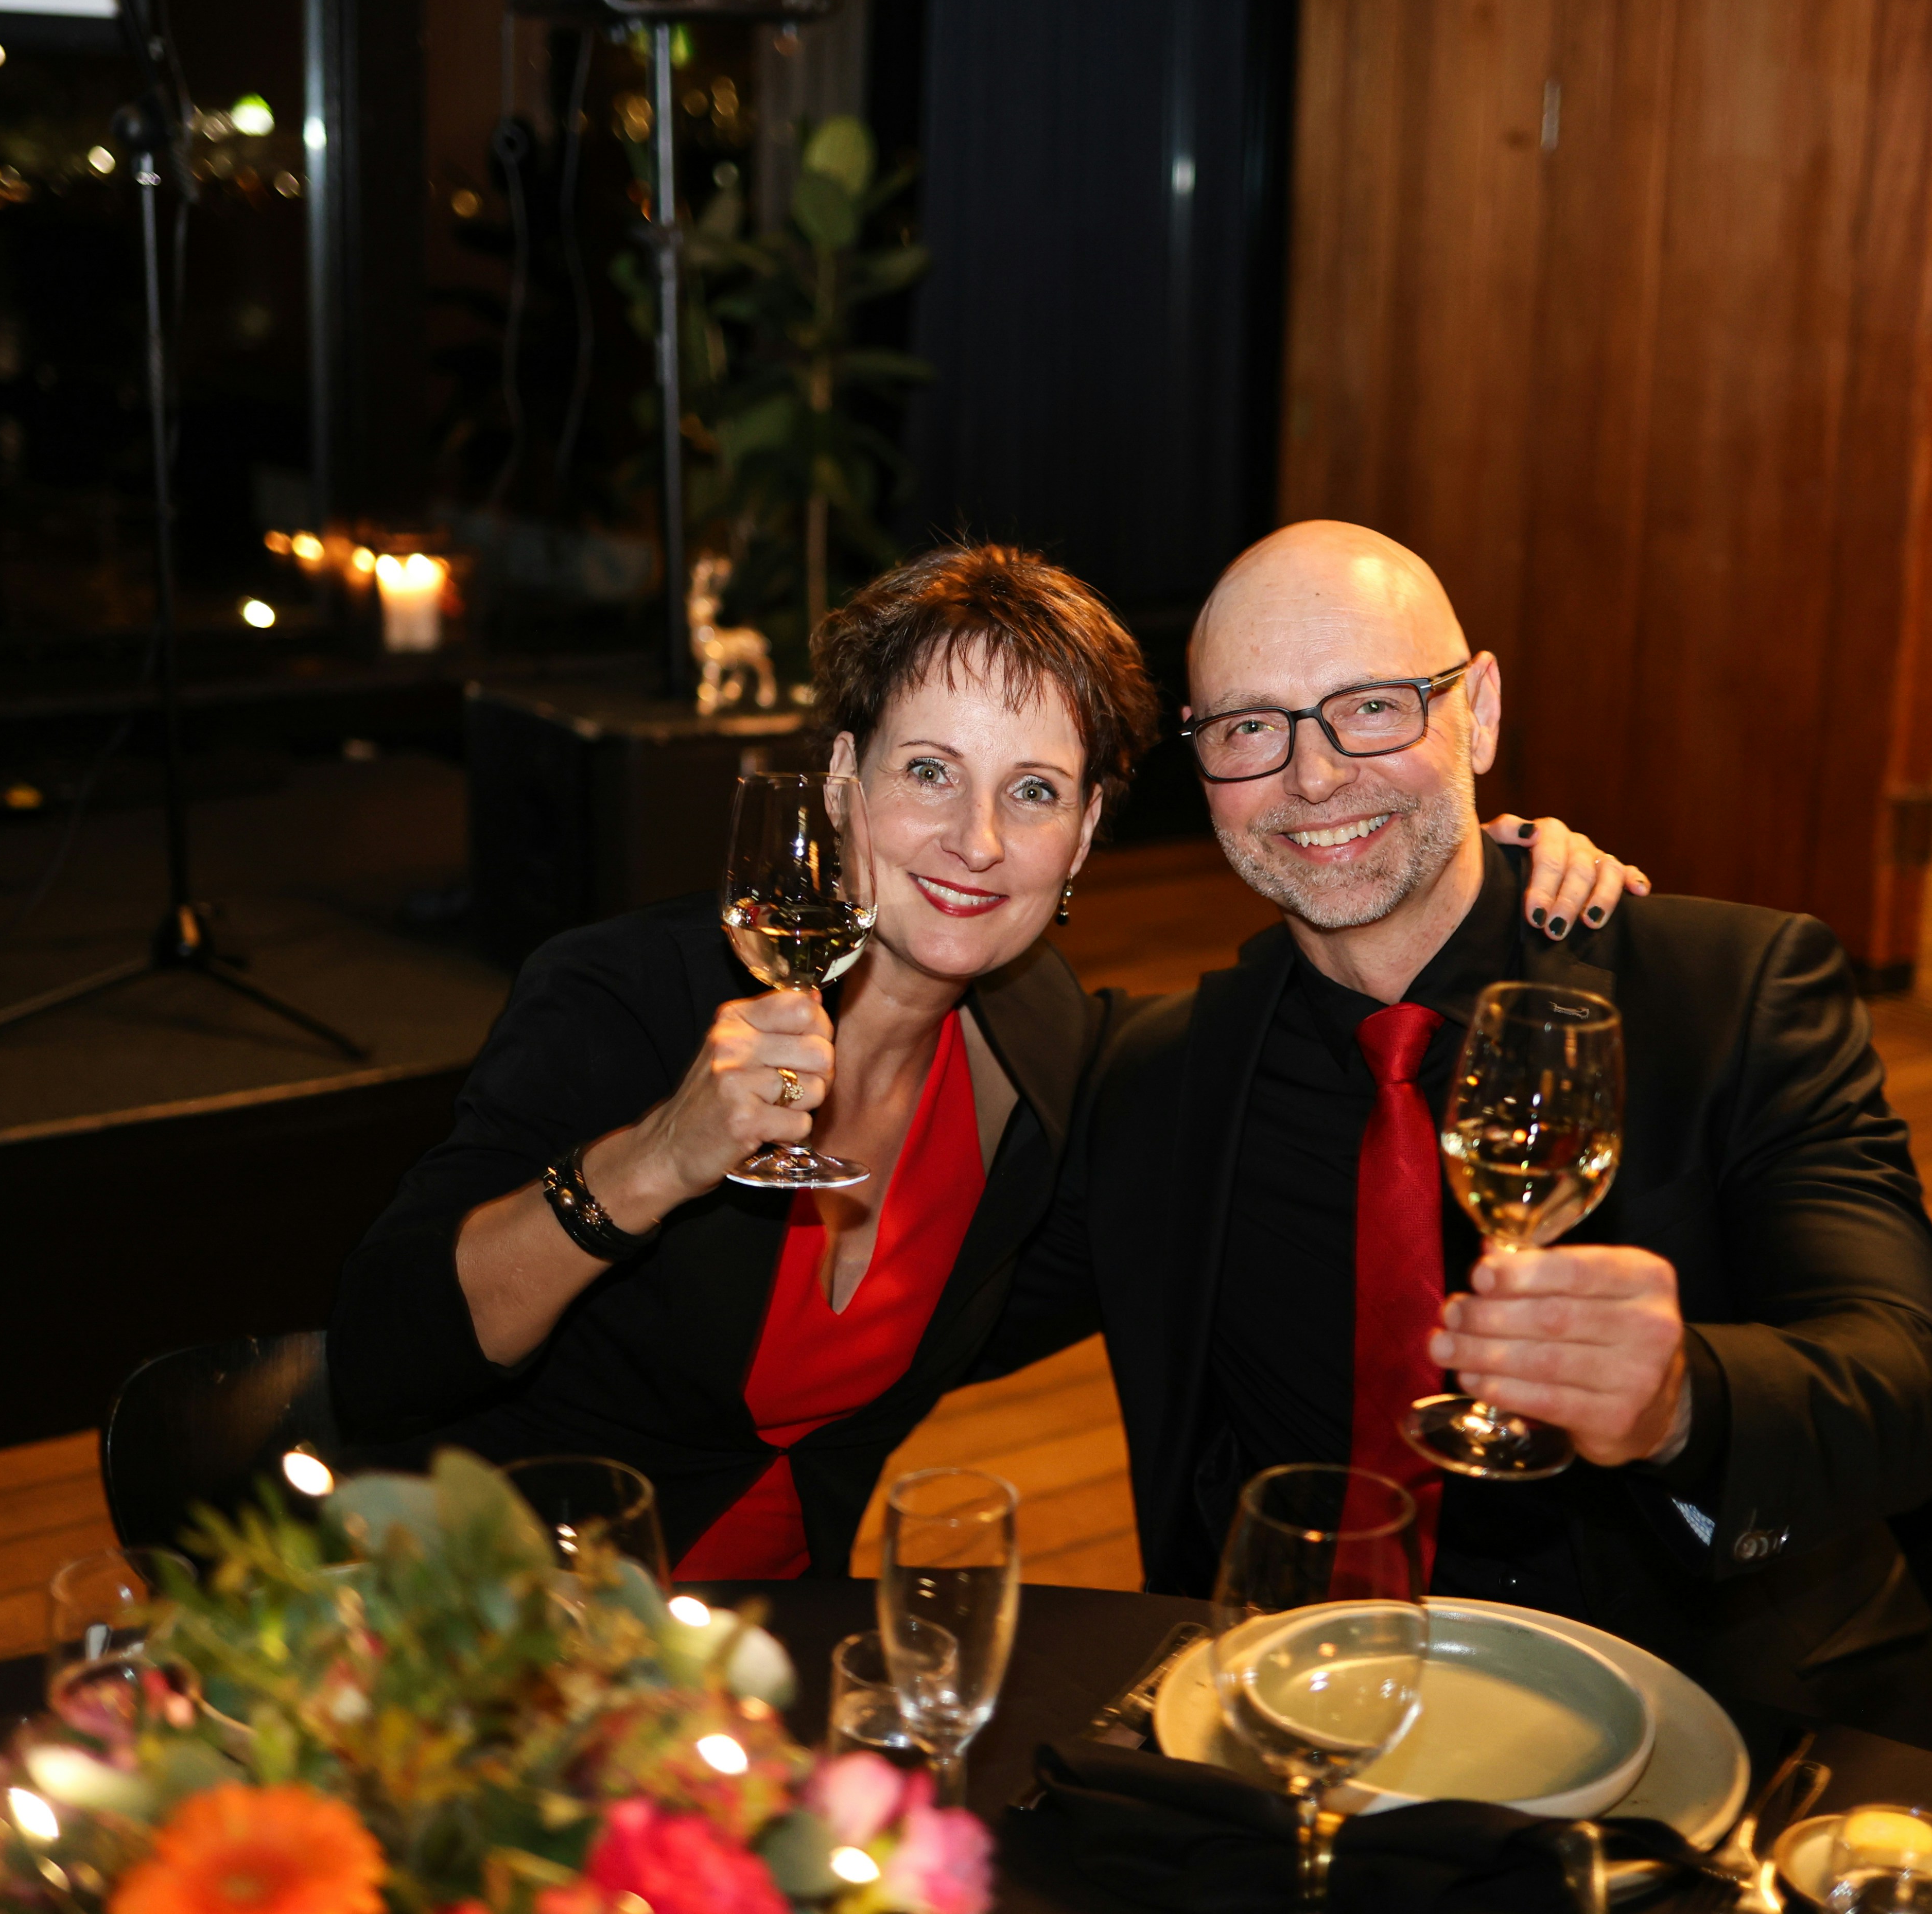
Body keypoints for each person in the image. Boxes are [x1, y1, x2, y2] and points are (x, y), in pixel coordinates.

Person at [327, 542, 1638, 1578]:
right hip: (484, 1609)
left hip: (778, 1641)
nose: (974, 840)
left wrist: (1492, 865)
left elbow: (1346, 1040)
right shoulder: (627, 993)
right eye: (927, 772)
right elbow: (386, 1356)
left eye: (1032, 792)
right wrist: (654, 1160)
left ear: (1079, 843)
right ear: (841, 780)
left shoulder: (1059, 1058)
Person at [987, 521, 1932, 1749]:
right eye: (1251, 727)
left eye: (1373, 708)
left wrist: (1678, 1401)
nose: (1314, 775)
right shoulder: (1158, 1080)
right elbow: (927, 1319)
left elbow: (1907, 1383)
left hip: (1713, 1724)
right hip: (1312, 1729)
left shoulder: (1724, 990)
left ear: (1479, 712)